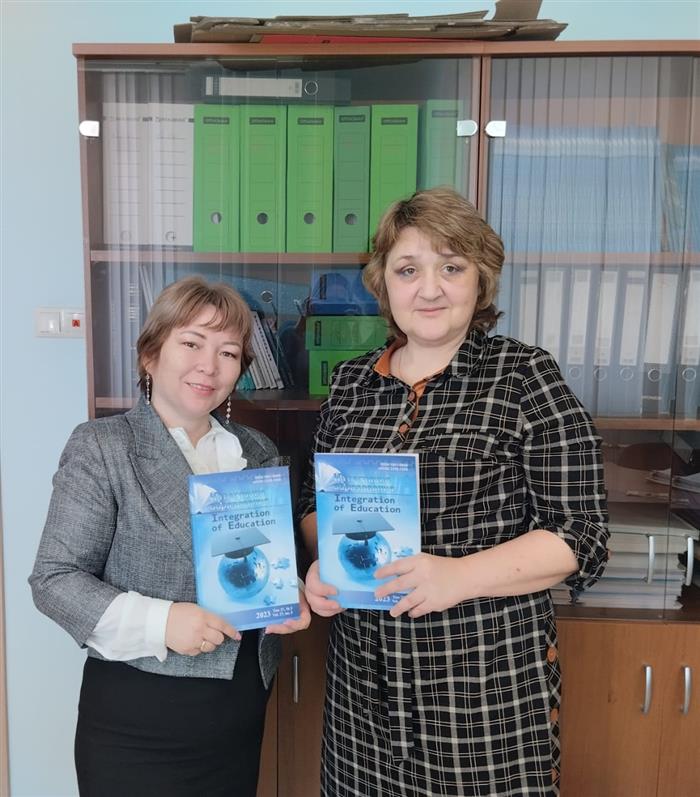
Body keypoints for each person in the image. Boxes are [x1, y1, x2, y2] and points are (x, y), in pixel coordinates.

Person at [298, 187, 609, 797]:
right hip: (362, 691)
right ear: (384, 284)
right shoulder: (352, 382)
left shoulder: (525, 377)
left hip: (483, 691)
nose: (429, 289)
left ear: (480, 281)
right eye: (408, 270)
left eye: (451, 268)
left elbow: (582, 537)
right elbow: (314, 502)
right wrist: (320, 566)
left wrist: (458, 576)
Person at [30, 276, 311, 797]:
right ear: (150, 354)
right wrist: (163, 621)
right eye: (191, 343)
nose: (209, 365)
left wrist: (289, 595)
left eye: (228, 352)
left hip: (241, 712)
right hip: (138, 721)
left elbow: (269, 561)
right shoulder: (102, 446)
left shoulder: (256, 450)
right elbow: (54, 580)